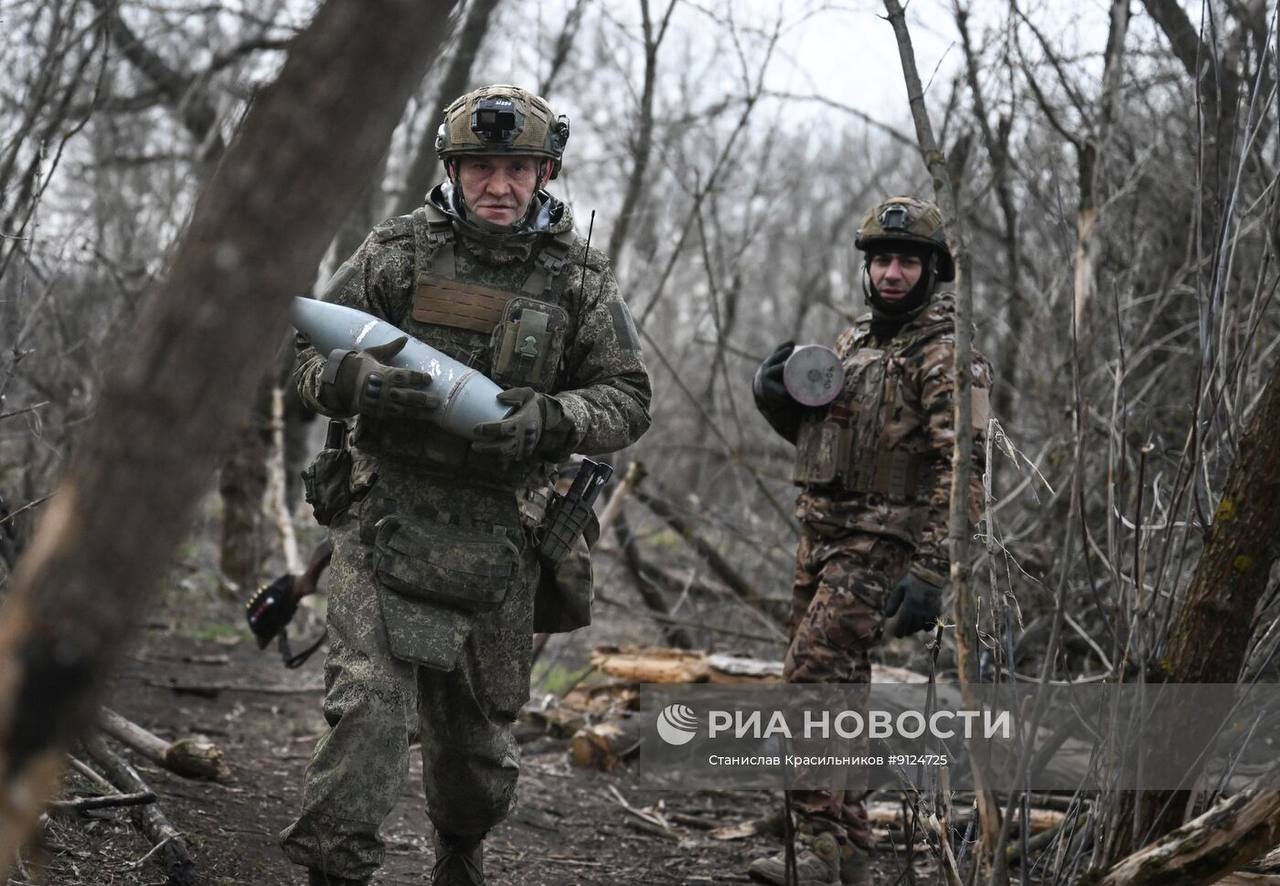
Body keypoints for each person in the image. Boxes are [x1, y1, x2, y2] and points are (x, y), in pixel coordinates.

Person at [279, 84, 651, 886]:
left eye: (518, 167)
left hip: (502, 538)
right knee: (369, 709)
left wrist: (553, 419)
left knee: (474, 748)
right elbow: (308, 356)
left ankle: (460, 849)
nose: (499, 185)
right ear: (453, 167)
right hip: (383, 516)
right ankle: (335, 870)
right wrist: (353, 386)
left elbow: (628, 399)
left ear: (545, 171)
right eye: (480, 166)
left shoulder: (578, 278)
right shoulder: (396, 250)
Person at [749, 196, 991, 886]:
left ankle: (818, 844)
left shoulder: (946, 354)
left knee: (811, 683)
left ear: (931, 271)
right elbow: (828, 444)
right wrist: (777, 400)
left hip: (880, 545)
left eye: (906, 262)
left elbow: (966, 464)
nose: (891, 273)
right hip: (821, 538)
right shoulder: (855, 343)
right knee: (839, 685)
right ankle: (850, 842)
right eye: (882, 260)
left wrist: (935, 571)